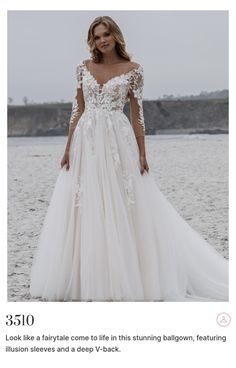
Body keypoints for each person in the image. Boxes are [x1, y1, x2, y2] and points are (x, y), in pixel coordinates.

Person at [30, 16, 228, 302]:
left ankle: (127, 273)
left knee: (122, 202)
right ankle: (89, 275)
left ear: (116, 36)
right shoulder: (82, 68)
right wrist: (67, 148)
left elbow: (137, 115)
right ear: (92, 40)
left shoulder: (134, 71)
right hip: (87, 141)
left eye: (106, 34)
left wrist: (143, 153)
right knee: (87, 203)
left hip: (117, 141)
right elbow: (77, 109)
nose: (102, 40)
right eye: (97, 36)